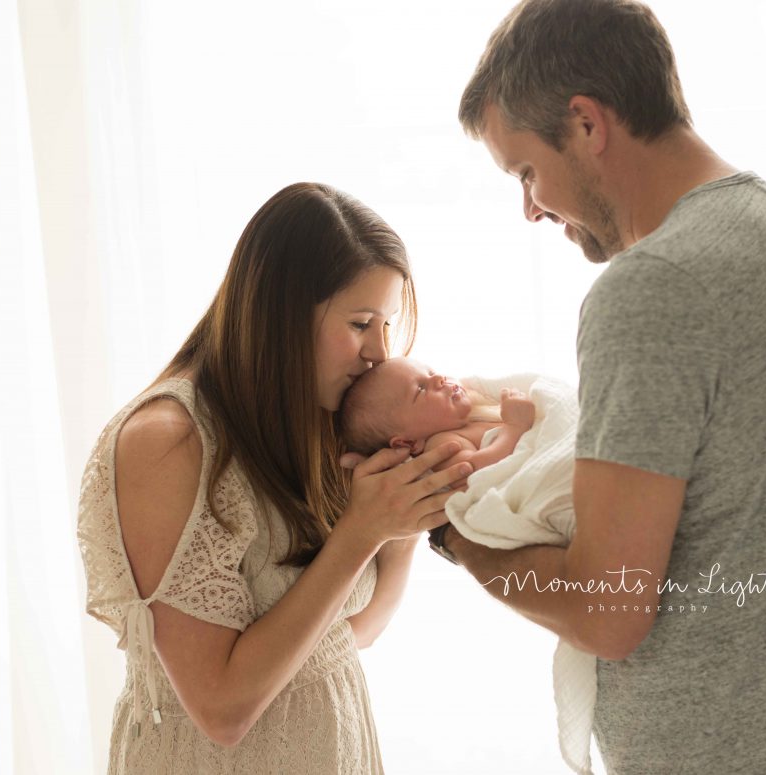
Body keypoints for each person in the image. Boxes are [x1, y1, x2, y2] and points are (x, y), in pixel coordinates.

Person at [434, 1, 766, 773]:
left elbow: (606, 611)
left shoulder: (651, 288)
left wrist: (455, 538)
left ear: (586, 123)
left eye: (525, 171)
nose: (529, 208)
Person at [76, 182, 472, 774]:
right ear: (282, 312)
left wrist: (403, 522)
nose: (380, 353)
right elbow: (222, 710)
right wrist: (362, 531)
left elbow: (352, 634)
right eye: (362, 322)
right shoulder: (167, 442)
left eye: (386, 324)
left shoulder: (311, 418)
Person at [338, 357, 536, 471]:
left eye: (432, 372)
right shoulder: (442, 444)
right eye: (421, 389)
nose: (440, 379)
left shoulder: (477, 401)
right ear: (408, 443)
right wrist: (515, 428)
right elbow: (478, 474)